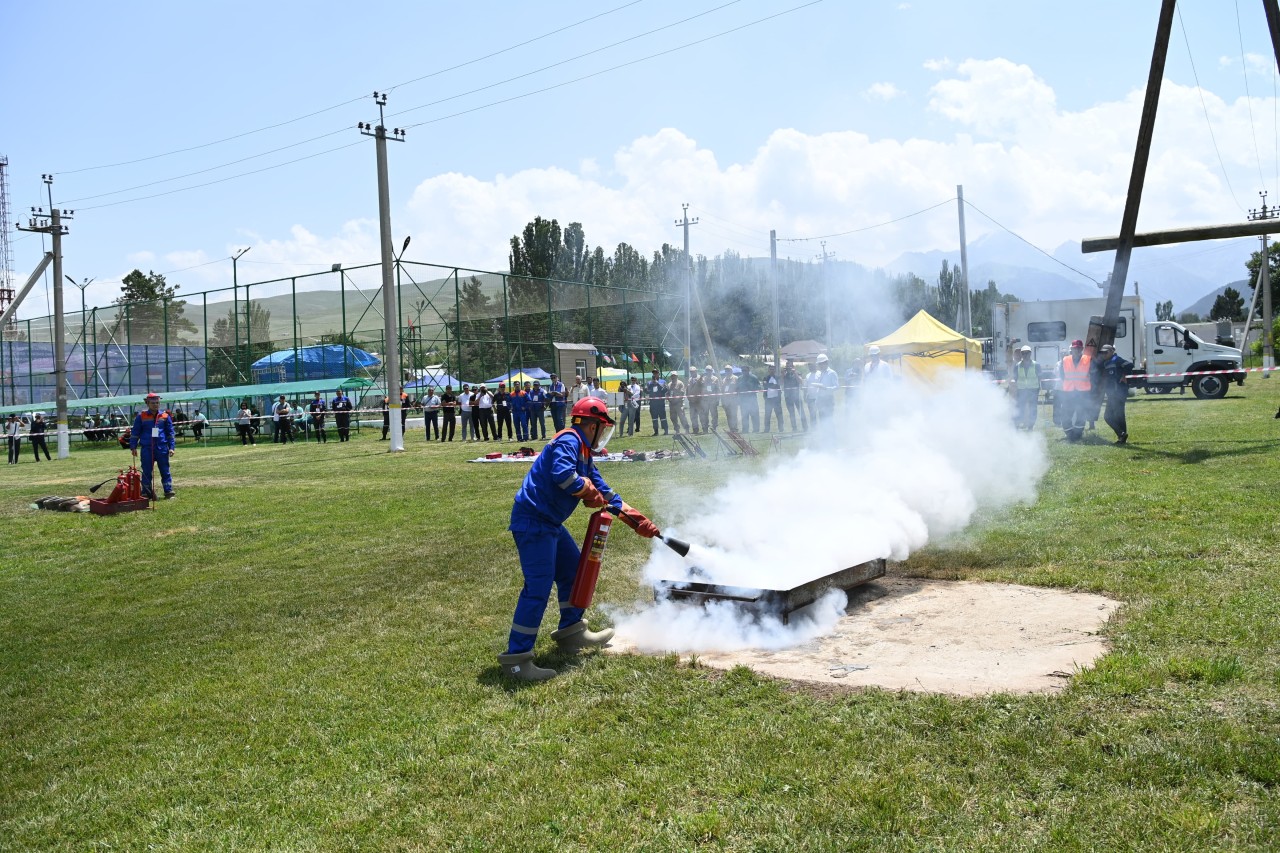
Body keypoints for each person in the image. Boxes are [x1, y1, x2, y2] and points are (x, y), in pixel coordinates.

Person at [499, 397, 660, 681]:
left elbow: (604, 491)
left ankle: (571, 633)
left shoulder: (584, 452)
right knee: (537, 588)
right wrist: (585, 489)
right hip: (533, 522)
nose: (603, 434)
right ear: (592, 424)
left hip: (550, 523)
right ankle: (516, 659)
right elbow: (562, 476)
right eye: (603, 428)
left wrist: (637, 520)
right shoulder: (569, 441)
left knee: (573, 572)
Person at [130, 392, 176, 499]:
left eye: (157, 403)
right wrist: (133, 446)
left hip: (162, 448)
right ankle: (146, 493)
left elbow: (170, 433)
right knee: (146, 471)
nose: (156, 405)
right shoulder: (141, 417)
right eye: (153, 403)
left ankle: (168, 491)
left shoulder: (165, 416)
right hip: (147, 448)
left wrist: (172, 447)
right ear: (147, 403)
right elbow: (135, 432)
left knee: (165, 471)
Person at [1093, 343, 1133, 444]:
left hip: (1118, 392)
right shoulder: (1107, 362)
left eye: (1106, 352)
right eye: (1102, 352)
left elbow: (1129, 365)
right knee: (1117, 415)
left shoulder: (1116, 360)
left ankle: (1121, 435)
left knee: (1109, 416)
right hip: (1113, 392)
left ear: (1111, 352)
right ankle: (1122, 435)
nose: (1104, 354)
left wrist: (1124, 375)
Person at [1058, 339, 1092, 442]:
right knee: (1065, 415)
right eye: (1074, 348)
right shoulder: (1065, 360)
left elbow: (1093, 374)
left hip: (1083, 392)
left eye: (1078, 348)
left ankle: (1077, 435)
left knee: (1081, 415)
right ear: (1071, 349)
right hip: (1069, 392)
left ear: (1081, 349)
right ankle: (1069, 434)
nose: (1076, 350)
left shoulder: (1088, 359)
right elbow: (1062, 375)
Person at [1010, 345, 1041, 430]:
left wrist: (1038, 389)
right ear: (1021, 354)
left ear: (1030, 353)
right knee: (1020, 408)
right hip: (1022, 390)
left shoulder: (1036, 365)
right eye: (1023, 353)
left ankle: (1031, 426)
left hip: (1033, 390)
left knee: (1033, 409)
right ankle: (1017, 425)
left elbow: (1040, 377)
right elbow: (1015, 378)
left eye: (1027, 353)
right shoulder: (1017, 366)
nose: (1025, 355)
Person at [782, 359, 807, 432]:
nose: (788, 368)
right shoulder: (785, 374)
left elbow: (801, 382)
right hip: (788, 397)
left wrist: (795, 373)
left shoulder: (797, 373)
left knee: (801, 412)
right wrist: (782, 375)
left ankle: (805, 427)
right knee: (791, 414)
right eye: (787, 366)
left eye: (790, 366)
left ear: (793, 366)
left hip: (797, 396)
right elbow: (780, 383)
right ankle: (794, 428)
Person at [644, 369, 668, 435]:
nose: (655, 374)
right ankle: (656, 431)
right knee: (654, 418)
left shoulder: (663, 381)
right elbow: (646, 391)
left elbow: (665, 390)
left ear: (659, 374)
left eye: (656, 373)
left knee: (663, 418)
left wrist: (657, 383)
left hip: (660, 403)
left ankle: (666, 431)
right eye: (653, 373)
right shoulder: (649, 382)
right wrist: (646, 387)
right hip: (653, 403)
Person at [737, 366, 760, 433]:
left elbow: (758, 387)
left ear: (748, 370)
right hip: (743, 401)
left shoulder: (754, 378)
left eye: (745, 370)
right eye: (743, 370)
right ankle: (745, 430)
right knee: (744, 416)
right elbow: (737, 388)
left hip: (752, 400)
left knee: (754, 415)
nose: (744, 372)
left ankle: (756, 430)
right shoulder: (740, 378)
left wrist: (752, 388)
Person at [762, 364, 784, 432]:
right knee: (767, 415)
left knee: (779, 414)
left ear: (775, 370)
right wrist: (774, 385)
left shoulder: (778, 377)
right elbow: (765, 385)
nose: (772, 370)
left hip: (776, 399)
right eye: (770, 369)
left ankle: (781, 429)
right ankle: (766, 429)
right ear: (768, 370)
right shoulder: (765, 378)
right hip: (768, 399)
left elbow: (780, 384)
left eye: (773, 369)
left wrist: (771, 385)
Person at [720, 366, 739, 432]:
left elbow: (738, 389)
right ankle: (731, 428)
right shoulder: (724, 380)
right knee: (728, 415)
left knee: (733, 414)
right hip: (726, 401)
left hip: (733, 400)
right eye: (726, 370)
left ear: (731, 371)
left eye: (728, 370)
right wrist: (722, 401)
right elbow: (722, 391)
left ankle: (735, 428)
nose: (727, 372)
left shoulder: (736, 378)